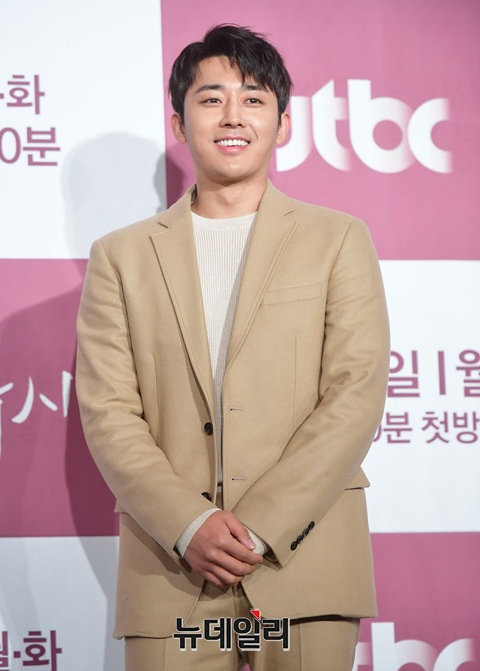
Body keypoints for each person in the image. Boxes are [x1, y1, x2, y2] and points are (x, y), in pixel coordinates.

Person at [76, 24, 390, 671]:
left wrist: (263, 523)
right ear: (178, 121)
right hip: (171, 569)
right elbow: (108, 411)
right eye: (211, 98)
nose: (232, 116)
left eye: (253, 98)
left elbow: (355, 395)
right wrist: (189, 523)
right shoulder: (121, 255)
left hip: (304, 560)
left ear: (282, 123)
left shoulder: (338, 238)